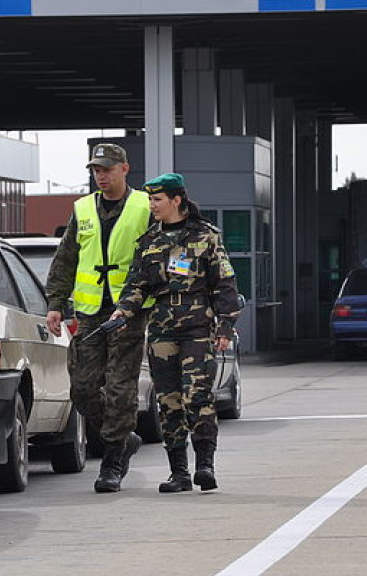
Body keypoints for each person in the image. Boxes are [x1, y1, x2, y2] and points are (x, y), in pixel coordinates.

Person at [110, 172, 241, 493]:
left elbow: (224, 283)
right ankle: (179, 472)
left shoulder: (206, 236)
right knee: (168, 401)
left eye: (157, 200)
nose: (152, 206)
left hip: (197, 328)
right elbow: (136, 285)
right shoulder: (149, 241)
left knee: (197, 395)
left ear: (176, 200)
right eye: (151, 200)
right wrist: (122, 311)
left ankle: (205, 466)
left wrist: (225, 325)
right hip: (161, 329)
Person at [45, 143, 152, 493]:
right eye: (96, 170)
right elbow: (66, 258)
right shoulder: (83, 209)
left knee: (121, 387)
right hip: (90, 313)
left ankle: (113, 460)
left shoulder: (144, 206)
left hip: (129, 310)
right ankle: (124, 436)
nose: (101, 176)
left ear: (125, 169)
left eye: (107, 169)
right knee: (83, 388)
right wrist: (56, 303)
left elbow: (158, 256)